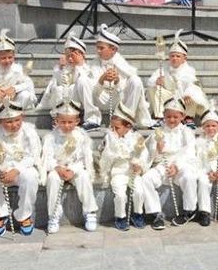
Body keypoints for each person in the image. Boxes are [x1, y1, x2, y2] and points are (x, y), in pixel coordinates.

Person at [0, 100, 41, 237]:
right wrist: (1, 167)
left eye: (17, 120)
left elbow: (33, 156)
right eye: (8, 122)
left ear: (22, 117)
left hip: (22, 169)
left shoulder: (29, 132)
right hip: (1, 169)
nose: (14, 125)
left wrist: (16, 169)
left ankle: (24, 215)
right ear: (0, 121)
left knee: (31, 176)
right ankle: (0, 214)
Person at [143, 98, 200, 229]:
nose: (172, 120)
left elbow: (189, 151)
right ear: (164, 116)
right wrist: (157, 148)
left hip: (182, 164)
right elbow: (152, 154)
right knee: (146, 179)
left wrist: (176, 166)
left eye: (175, 116)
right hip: (163, 164)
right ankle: (155, 214)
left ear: (183, 116)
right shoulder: (158, 132)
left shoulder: (186, 132)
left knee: (189, 177)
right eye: (168, 116)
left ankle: (189, 211)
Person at [41, 100, 96, 234]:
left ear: (77, 121)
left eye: (70, 122)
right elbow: (47, 158)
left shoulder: (82, 137)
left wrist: (73, 170)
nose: (66, 125)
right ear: (57, 121)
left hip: (74, 168)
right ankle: (54, 215)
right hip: (57, 169)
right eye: (63, 122)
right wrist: (57, 168)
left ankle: (89, 211)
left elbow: (84, 159)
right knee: (53, 179)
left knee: (83, 176)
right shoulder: (50, 137)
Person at [88, 24, 152, 128]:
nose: (98, 51)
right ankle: (92, 119)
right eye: (97, 48)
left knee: (135, 80)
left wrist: (117, 81)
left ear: (113, 49)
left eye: (101, 48)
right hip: (100, 102)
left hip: (119, 101)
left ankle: (127, 119)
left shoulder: (122, 63)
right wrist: (101, 79)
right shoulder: (93, 64)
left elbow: (125, 92)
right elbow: (91, 92)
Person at [99, 102, 148, 231]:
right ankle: (120, 217)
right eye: (112, 127)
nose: (114, 130)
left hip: (133, 172)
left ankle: (137, 214)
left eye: (117, 128)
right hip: (118, 172)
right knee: (120, 195)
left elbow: (144, 154)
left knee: (139, 191)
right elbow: (105, 156)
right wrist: (114, 152)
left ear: (128, 127)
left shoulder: (137, 138)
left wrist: (139, 166)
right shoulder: (110, 137)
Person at [38, 33, 100, 129]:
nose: (70, 59)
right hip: (65, 104)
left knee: (81, 82)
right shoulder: (64, 70)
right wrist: (60, 70)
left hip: (83, 102)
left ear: (82, 55)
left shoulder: (90, 69)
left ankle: (92, 119)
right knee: (58, 89)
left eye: (73, 56)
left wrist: (78, 65)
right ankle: (59, 119)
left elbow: (92, 87)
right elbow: (52, 87)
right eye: (68, 56)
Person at [146, 29, 209, 122]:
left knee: (193, 94)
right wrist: (156, 82)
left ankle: (188, 119)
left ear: (184, 58)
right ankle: (159, 118)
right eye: (172, 56)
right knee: (153, 89)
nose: (174, 58)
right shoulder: (163, 69)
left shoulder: (189, 70)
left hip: (183, 99)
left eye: (178, 56)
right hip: (168, 100)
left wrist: (188, 94)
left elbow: (194, 86)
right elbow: (150, 81)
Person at [0, 29, 36, 127]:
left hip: (13, 99)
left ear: (14, 57)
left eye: (10, 57)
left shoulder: (18, 70)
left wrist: (14, 89)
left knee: (25, 94)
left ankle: (16, 117)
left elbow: (27, 84)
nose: (7, 61)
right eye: (3, 58)